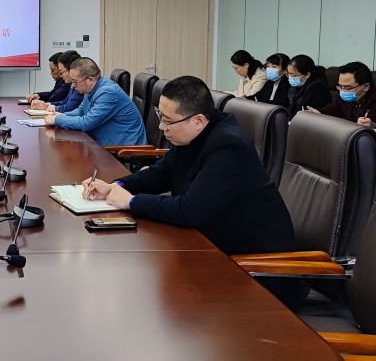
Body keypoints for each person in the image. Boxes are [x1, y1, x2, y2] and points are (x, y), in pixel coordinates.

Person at [81, 76, 301, 306]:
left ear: (197, 120)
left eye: (167, 121)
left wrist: (131, 202)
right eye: (160, 116)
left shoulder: (228, 146)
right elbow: (162, 173)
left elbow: (189, 210)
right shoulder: (194, 135)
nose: (161, 127)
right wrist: (116, 186)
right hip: (212, 247)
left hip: (256, 271)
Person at [44, 57, 146, 146]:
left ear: (90, 80)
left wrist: (57, 120)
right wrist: (62, 115)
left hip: (124, 151)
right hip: (105, 145)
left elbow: (87, 123)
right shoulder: (91, 88)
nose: (73, 86)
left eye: (75, 82)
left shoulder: (108, 92)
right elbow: (81, 111)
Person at [320, 61, 376, 126]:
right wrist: (318, 112)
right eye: (340, 86)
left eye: (348, 88)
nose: (343, 91)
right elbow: (334, 109)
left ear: (366, 86)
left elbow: (367, 124)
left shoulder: (373, 99)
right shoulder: (344, 95)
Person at [286, 54, 330, 119]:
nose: (290, 77)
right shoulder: (297, 85)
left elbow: (304, 110)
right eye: (288, 73)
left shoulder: (317, 87)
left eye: (293, 75)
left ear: (307, 74)